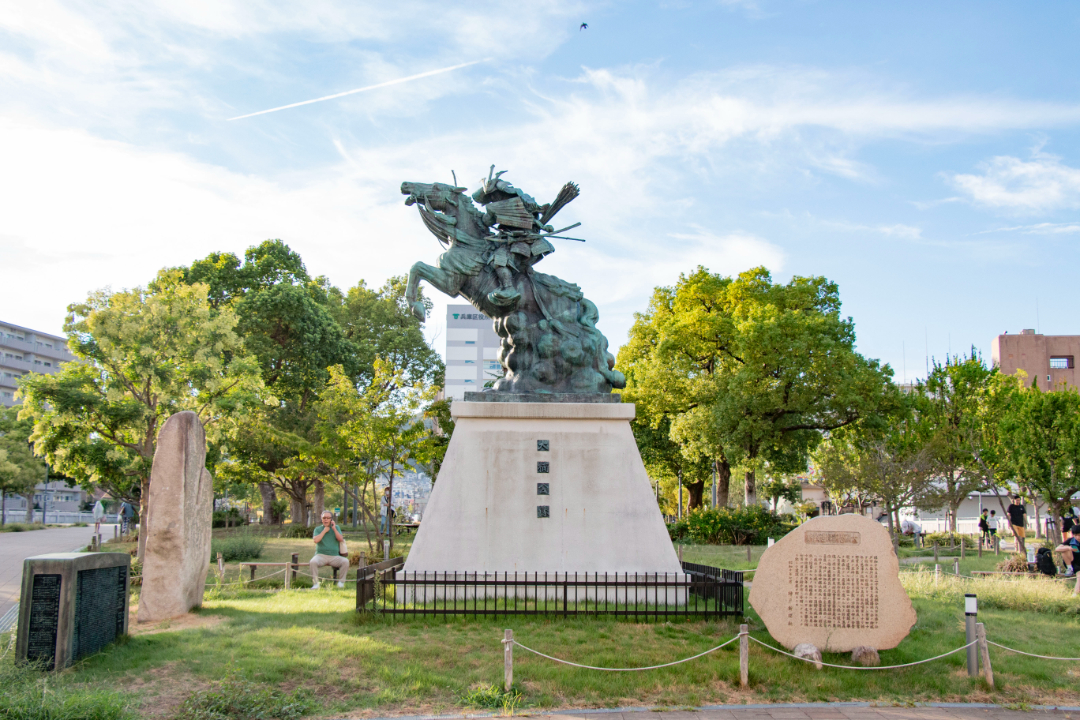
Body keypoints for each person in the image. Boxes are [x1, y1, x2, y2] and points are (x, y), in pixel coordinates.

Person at [310, 511, 349, 589]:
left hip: (334, 556)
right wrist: (324, 531)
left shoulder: (336, 528)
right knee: (313, 562)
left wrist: (334, 529)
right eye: (324, 518)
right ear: (321, 519)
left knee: (345, 561)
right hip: (321, 555)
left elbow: (340, 539)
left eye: (328, 518)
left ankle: (341, 583)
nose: (326, 520)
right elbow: (316, 540)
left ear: (331, 520)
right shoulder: (318, 529)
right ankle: (316, 584)